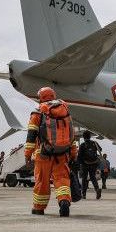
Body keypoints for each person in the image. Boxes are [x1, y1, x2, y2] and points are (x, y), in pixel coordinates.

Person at [25, 87, 79, 217]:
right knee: (62, 180)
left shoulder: (38, 112)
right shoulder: (64, 109)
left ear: (41, 98)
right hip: (62, 153)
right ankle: (64, 201)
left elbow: (31, 135)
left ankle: (39, 208)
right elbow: (71, 135)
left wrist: (27, 153)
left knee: (42, 181)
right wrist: (73, 153)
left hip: (43, 153)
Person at [78, 130, 102, 200]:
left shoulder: (83, 145)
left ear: (83, 137)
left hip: (85, 164)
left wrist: (78, 164)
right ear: (90, 136)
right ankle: (97, 189)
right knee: (93, 177)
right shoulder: (94, 143)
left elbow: (79, 156)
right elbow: (100, 149)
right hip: (94, 163)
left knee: (84, 179)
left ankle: (84, 194)